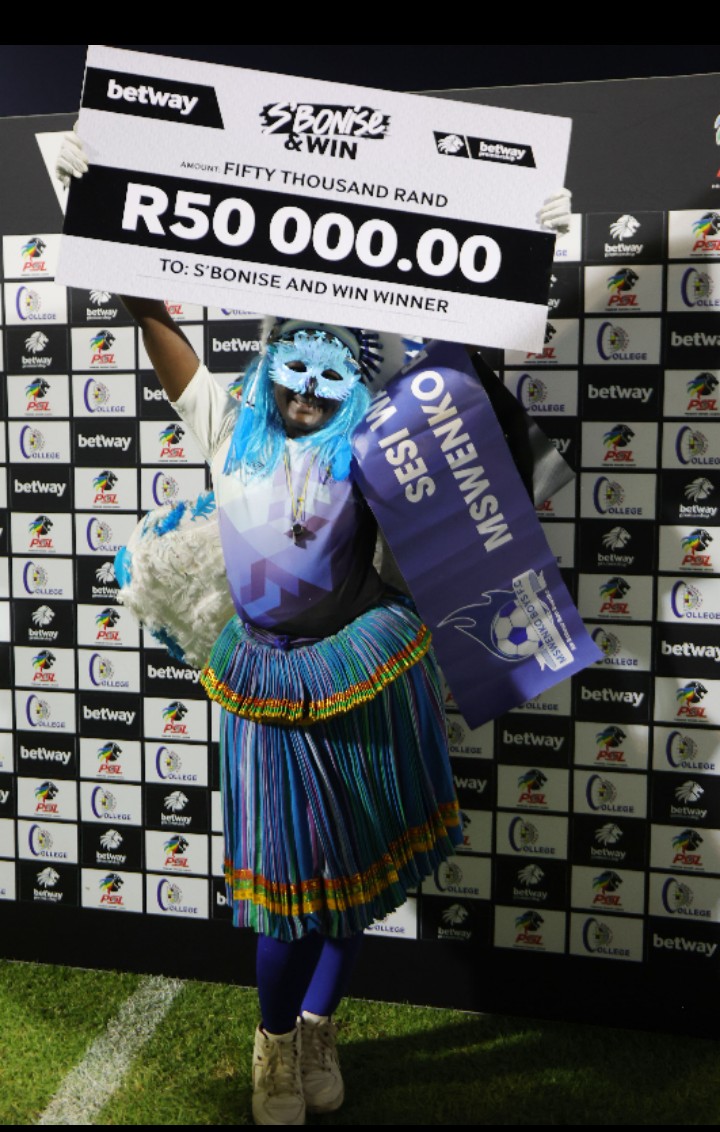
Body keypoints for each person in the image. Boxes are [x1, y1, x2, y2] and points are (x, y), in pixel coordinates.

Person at [57, 131, 571, 1126]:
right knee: (286, 893)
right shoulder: (223, 423)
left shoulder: (379, 440)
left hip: (363, 674)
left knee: (353, 876)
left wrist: (522, 250)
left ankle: (320, 1026)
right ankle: (274, 1044)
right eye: (291, 360)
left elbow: (470, 393)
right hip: (267, 685)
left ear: (354, 382)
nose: (307, 381)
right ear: (266, 364)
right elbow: (152, 314)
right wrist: (99, 212)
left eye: (330, 367)